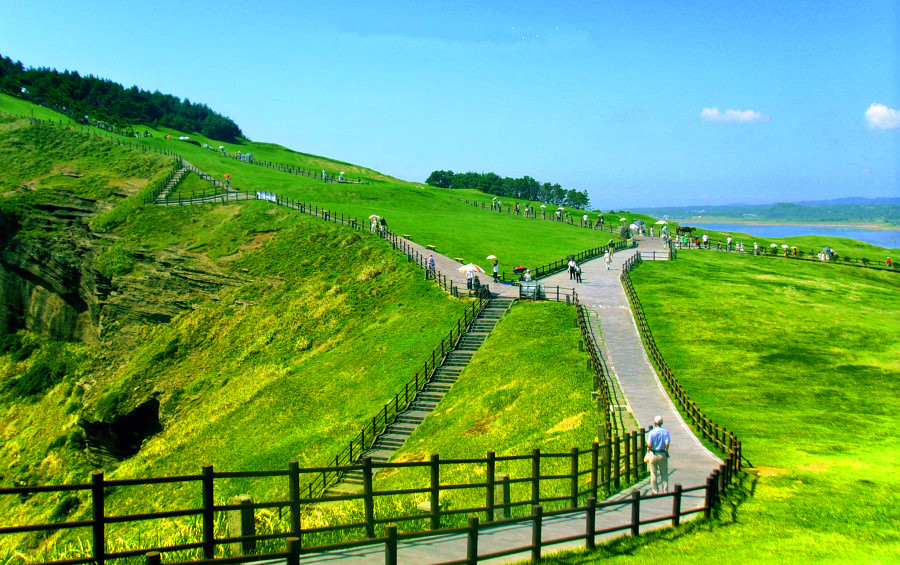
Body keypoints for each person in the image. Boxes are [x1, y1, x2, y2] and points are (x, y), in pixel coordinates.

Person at [646, 415, 670, 494]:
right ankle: (665, 491)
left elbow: (649, 444)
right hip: (662, 453)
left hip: (653, 453)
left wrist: (648, 449)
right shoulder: (665, 432)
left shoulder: (651, 432)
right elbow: (667, 443)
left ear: (655, 423)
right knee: (664, 473)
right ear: (661, 423)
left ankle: (655, 491)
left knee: (653, 473)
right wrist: (666, 451)